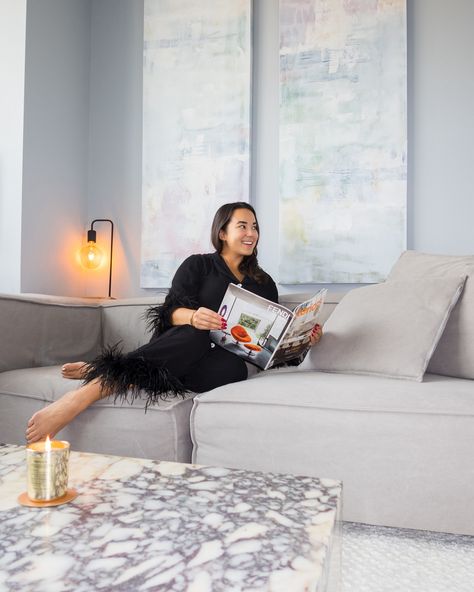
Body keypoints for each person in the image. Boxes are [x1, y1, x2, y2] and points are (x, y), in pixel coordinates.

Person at [26, 202, 322, 443]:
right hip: (184, 344)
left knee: (232, 368)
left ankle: (109, 368)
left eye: (255, 226)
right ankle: (83, 395)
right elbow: (170, 311)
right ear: (222, 232)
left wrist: (303, 339)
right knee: (195, 335)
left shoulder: (264, 282)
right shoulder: (198, 265)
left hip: (224, 357)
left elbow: (271, 343)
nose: (251, 233)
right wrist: (194, 316)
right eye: (242, 225)